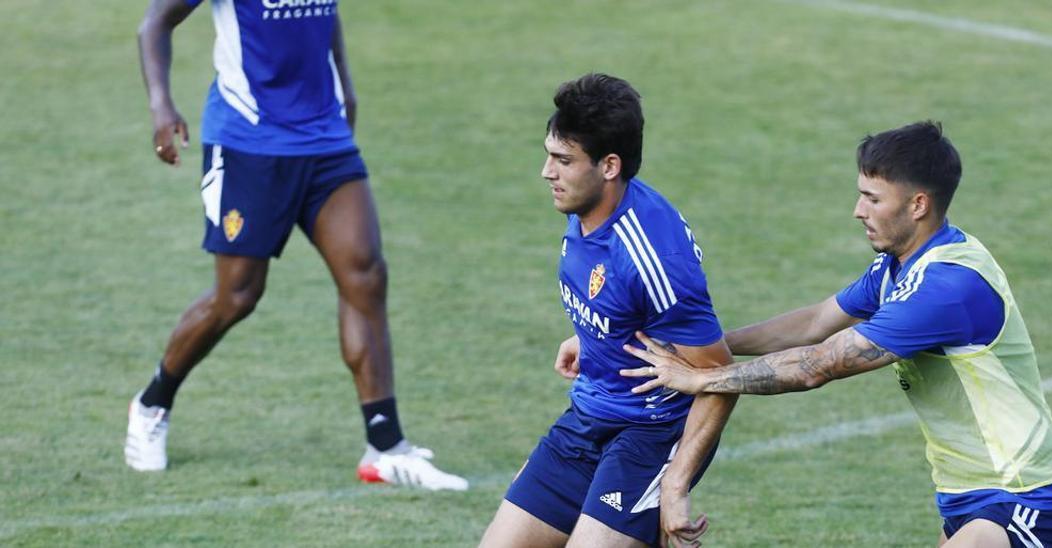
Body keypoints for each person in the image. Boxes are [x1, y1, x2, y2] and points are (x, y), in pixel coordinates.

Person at [623, 121, 1052, 547]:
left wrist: (701, 378)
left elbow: (820, 364)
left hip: (1026, 494)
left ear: (918, 204)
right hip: (965, 493)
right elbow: (812, 324)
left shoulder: (946, 287)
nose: (857, 210)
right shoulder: (898, 267)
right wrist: (704, 346)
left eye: (873, 198)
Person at [125, 0, 467, 491]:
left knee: (365, 275)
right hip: (247, 141)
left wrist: (346, 85)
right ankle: (153, 403)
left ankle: (385, 447)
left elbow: (324, 14)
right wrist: (161, 103)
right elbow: (155, 22)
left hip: (324, 135)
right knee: (237, 296)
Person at [478, 73, 736, 548]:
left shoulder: (653, 256)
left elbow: (719, 377)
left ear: (609, 166)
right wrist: (597, 335)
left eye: (562, 160)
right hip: (589, 414)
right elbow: (620, 303)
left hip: (651, 433)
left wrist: (675, 485)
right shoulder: (585, 210)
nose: (546, 172)